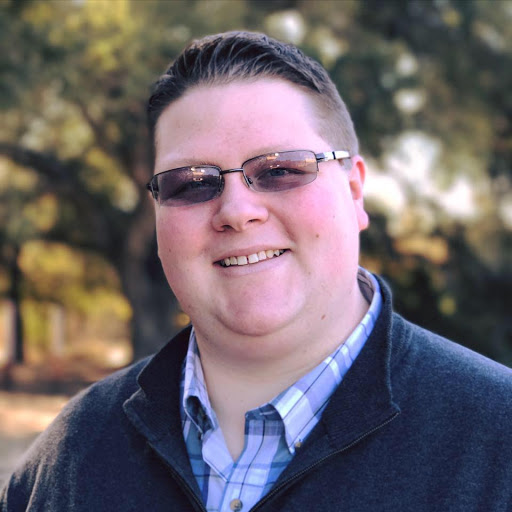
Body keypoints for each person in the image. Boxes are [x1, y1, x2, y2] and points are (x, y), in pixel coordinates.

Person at [1, 31, 511, 512]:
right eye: (192, 183)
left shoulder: (498, 441)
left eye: (280, 170)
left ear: (355, 192)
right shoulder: (72, 457)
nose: (237, 211)